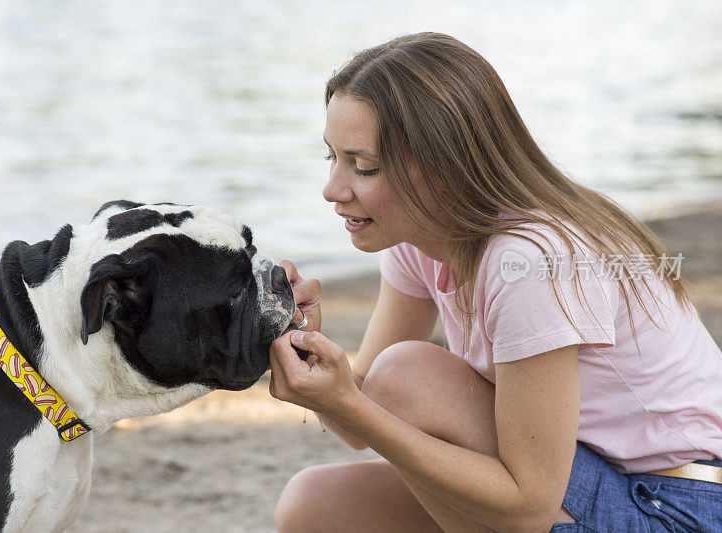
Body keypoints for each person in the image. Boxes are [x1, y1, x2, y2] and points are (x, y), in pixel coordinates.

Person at [268, 32, 722, 532]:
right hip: (587, 481)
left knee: (408, 375)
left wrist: (352, 403)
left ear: (445, 165)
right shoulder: (412, 239)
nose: (333, 188)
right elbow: (362, 416)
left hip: (679, 505)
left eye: (365, 167)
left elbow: (527, 507)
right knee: (314, 505)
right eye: (331, 157)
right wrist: (300, 340)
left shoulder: (529, 261)